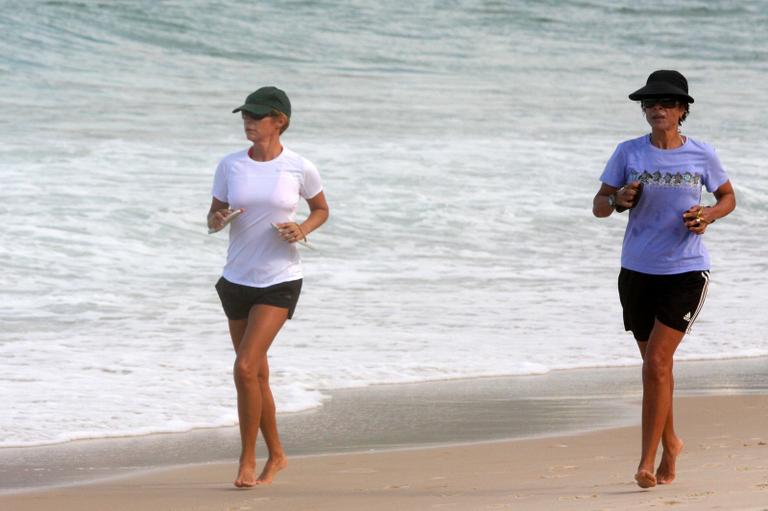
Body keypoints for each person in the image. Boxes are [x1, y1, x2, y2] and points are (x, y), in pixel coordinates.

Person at [592, 70, 736, 489]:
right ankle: (672, 442)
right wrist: (616, 199)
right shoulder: (628, 152)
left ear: (682, 111)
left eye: (667, 103)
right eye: (650, 103)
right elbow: (599, 205)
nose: (657, 109)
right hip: (637, 270)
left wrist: (707, 214)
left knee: (656, 363)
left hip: (686, 271)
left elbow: (728, 197)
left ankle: (645, 462)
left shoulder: (701, 155)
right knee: (656, 368)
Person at [208, 86, 329, 487]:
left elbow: (321, 210)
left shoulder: (299, 166)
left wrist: (301, 229)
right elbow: (211, 218)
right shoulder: (229, 165)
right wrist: (219, 218)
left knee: (244, 367)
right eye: (245, 115)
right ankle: (277, 455)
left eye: (257, 116)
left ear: (280, 121)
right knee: (256, 375)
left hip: (279, 281)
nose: (248, 121)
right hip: (235, 280)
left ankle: (246, 460)